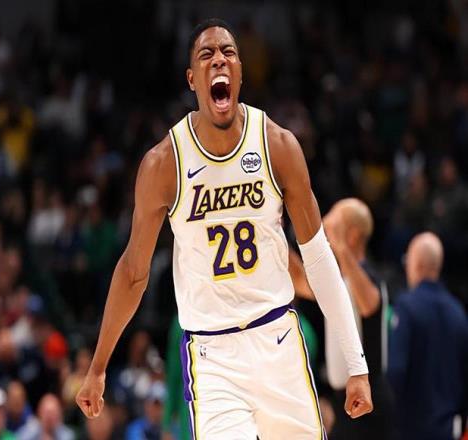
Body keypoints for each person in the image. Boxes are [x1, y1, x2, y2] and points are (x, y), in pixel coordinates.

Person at [76, 18, 372, 439]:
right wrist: (98, 366)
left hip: (278, 341)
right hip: (212, 356)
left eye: (228, 52)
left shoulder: (277, 145)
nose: (219, 59)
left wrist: (356, 364)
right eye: (207, 54)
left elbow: (319, 257)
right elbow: (133, 272)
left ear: (240, 74)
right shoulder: (164, 164)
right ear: (191, 79)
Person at [290, 198, 393, 439]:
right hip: (344, 402)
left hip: (370, 402)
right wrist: (275, 236)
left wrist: (340, 248)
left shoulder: (369, 277)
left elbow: (370, 306)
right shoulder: (337, 281)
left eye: (333, 223)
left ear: (353, 235)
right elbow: (298, 279)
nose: (325, 227)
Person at [388, 232, 468, 440]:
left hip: (410, 429)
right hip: (447, 429)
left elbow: (396, 371)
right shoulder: (458, 312)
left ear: (416, 264)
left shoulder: (406, 307)